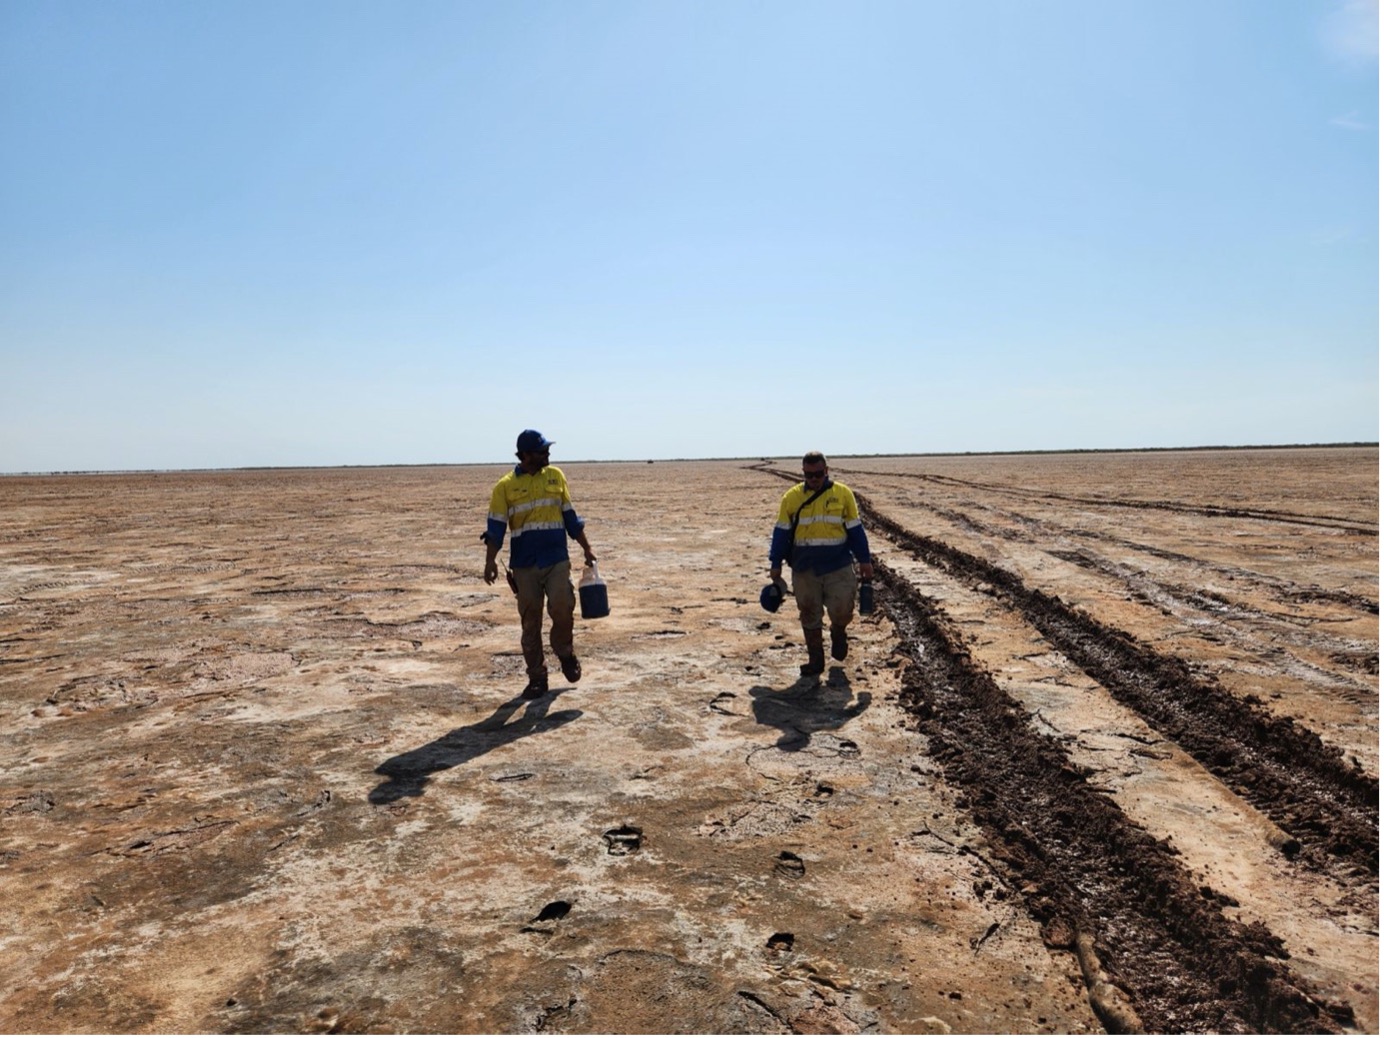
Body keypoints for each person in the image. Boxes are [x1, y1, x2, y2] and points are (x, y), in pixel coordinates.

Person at [483, 430, 597, 699]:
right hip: (524, 565)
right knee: (530, 622)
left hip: (556, 559)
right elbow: (495, 527)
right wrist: (490, 561)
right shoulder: (505, 487)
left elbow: (570, 516)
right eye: (542, 451)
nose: (547, 454)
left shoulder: (556, 476)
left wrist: (587, 547)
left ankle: (565, 653)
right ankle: (537, 677)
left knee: (562, 606)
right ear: (525, 455)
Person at [768, 452, 874, 677]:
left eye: (818, 474)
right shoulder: (791, 498)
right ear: (803, 473)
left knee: (843, 610)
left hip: (839, 565)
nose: (814, 479)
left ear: (826, 471)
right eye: (809, 475)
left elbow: (856, 530)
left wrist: (865, 561)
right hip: (805, 568)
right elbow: (781, 533)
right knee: (808, 612)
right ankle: (816, 660)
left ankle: (838, 631)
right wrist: (775, 563)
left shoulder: (843, 494)